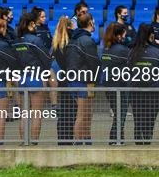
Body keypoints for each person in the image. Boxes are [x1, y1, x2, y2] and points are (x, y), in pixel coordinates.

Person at [13, 13, 52, 144]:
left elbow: (14, 62)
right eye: (35, 24)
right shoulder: (36, 40)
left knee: (24, 114)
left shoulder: (17, 42)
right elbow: (47, 59)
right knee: (36, 113)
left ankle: (24, 142)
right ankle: (34, 142)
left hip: (21, 78)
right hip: (36, 77)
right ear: (31, 24)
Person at [128, 23, 159, 145]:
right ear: (151, 35)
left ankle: (139, 146)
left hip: (136, 93)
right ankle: (146, 145)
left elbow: (127, 72)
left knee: (138, 121)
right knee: (149, 123)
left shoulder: (131, 53)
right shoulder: (158, 53)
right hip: (153, 93)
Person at [65, 13, 100, 145]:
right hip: (83, 81)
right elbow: (94, 62)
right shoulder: (87, 40)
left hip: (74, 80)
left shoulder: (73, 39)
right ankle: (79, 143)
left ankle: (86, 140)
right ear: (90, 22)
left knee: (86, 113)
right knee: (82, 114)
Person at [100, 23, 130, 144]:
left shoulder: (105, 49)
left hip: (108, 85)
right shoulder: (123, 50)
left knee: (117, 113)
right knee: (121, 114)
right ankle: (115, 140)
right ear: (118, 35)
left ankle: (118, 139)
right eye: (123, 33)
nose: (125, 35)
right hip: (120, 86)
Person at [51, 16, 77, 145]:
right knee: (73, 112)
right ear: (69, 27)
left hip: (63, 78)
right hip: (72, 78)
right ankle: (69, 139)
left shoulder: (56, 43)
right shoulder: (72, 42)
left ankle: (62, 139)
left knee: (63, 113)